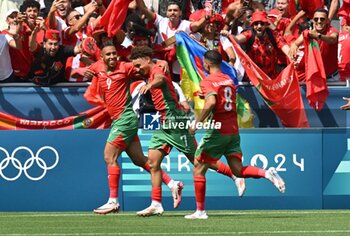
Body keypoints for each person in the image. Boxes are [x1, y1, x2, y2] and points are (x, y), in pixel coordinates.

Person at [129, 46, 246, 217]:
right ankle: (156, 204)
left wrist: (150, 85)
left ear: (148, 59)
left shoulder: (156, 70)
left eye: (139, 65)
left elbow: (161, 78)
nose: (137, 70)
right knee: (153, 163)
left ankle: (235, 176)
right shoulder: (152, 71)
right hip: (164, 125)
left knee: (199, 161)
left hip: (176, 122)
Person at [185, 50, 285, 220]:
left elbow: (211, 102)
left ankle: (200, 211)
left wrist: (197, 122)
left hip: (218, 130)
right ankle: (267, 173)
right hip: (233, 130)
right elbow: (222, 98)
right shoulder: (228, 80)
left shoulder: (208, 81)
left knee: (198, 166)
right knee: (238, 170)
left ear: (207, 64)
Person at [85, 42, 183, 214]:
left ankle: (113, 201)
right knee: (140, 160)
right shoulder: (98, 66)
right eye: (108, 54)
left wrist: (162, 62)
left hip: (125, 118)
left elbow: (147, 63)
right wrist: (83, 70)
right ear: (102, 57)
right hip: (118, 120)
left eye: (114, 53)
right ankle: (172, 183)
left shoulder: (125, 67)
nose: (112, 57)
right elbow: (86, 66)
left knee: (109, 156)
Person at [135, 0, 207, 82]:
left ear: (180, 13)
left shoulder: (185, 25)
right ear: (166, 13)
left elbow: (198, 25)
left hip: (179, 68)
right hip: (163, 65)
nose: (172, 12)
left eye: (175, 10)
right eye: (170, 10)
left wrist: (207, 17)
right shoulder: (161, 21)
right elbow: (143, 9)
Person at [228, 11, 290, 79]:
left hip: (271, 78)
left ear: (266, 25)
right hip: (253, 79)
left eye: (262, 24)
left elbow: (286, 49)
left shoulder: (274, 35)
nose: (259, 26)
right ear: (252, 25)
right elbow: (237, 39)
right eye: (256, 24)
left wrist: (291, 57)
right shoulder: (249, 34)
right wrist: (228, 35)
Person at [289, 8, 339, 82]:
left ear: (327, 20)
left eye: (322, 19)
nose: (319, 21)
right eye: (316, 19)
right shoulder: (308, 33)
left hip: (331, 78)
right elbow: (294, 45)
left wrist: (318, 36)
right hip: (315, 78)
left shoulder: (332, 31)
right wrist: (293, 60)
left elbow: (332, 39)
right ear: (313, 20)